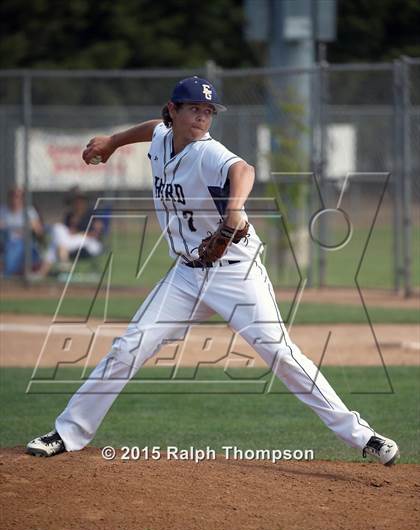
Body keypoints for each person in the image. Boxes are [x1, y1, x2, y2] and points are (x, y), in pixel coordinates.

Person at [27, 76, 399, 466]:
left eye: (208, 111)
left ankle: (363, 436)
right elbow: (150, 129)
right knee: (127, 348)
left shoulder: (208, 152)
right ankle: (68, 433)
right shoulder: (161, 136)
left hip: (236, 272)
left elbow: (244, 169)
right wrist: (112, 142)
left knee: (281, 354)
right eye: (194, 109)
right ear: (172, 109)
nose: (203, 117)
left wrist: (235, 208)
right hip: (186, 275)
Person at [39, 186, 104, 276]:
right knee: (57, 228)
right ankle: (63, 263)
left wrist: (78, 233)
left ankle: (44, 272)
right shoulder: (69, 215)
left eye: (79, 200)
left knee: (56, 244)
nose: (77, 203)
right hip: (71, 243)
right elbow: (65, 232)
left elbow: (96, 234)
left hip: (90, 243)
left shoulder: (91, 214)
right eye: (75, 201)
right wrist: (74, 224)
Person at [0, 187, 44, 276]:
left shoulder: (29, 211)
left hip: (24, 243)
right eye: (12, 195)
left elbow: (38, 230)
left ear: (22, 198)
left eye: (17, 196)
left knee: (17, 249)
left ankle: (8, 275)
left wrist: (22, 229)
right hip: (6, 241)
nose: (14, 199)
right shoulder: (2, 210)